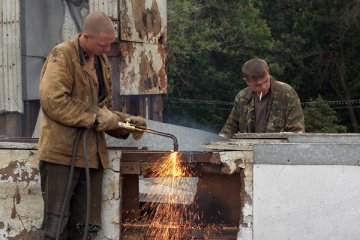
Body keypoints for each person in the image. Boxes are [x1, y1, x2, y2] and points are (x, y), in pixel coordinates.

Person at [38, 11, 146, 239]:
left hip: (92, 157)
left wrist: (125, 123)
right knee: (55, 228)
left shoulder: (100, 61)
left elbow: (101, 108)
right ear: (85, 37)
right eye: (103, 45)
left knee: (86, 228)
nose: (108, 50)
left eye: (109, 45)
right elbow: (53, 101)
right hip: (61, 156)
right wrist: (96, 116)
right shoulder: (62, 56)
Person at [219, 58, 305, 137]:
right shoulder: (242, 97)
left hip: (279, 150)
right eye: (257, 85)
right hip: (248, 150)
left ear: (268, 72)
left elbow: (297, 131)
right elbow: (230, 127)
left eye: (266, 81)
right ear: (247, 81)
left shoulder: (286, 93)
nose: (263, 87)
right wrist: (220, 139)